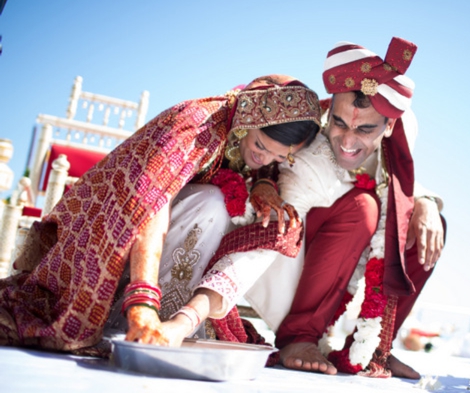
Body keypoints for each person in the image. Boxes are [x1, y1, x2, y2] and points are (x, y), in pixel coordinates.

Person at [0, 75, 322, 354]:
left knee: (267, 221)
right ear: (251, 116)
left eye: (280, 158)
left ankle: (172, 325)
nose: (266, 158)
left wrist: (264, 182)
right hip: (105, 239)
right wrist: (141, 305)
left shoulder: (242, 135)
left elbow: (260, 165)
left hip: (148, 245)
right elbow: (150, 207)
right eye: (262, 147)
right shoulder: (197, 125)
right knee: (212, 203)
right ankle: (144, 323)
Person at [198, 37, 446, 379]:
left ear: (389, 127)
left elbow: (400, 181)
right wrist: (208, 298)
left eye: (364, 129)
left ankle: (378, 348)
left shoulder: (403, 133)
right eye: (340, 123)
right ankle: (299, 336)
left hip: (340, 258)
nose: (346, 141)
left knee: (426, 224)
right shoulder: (310, 139)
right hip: (287, 250)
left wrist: (426, 203)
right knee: (362, 207)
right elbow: (279, 218)